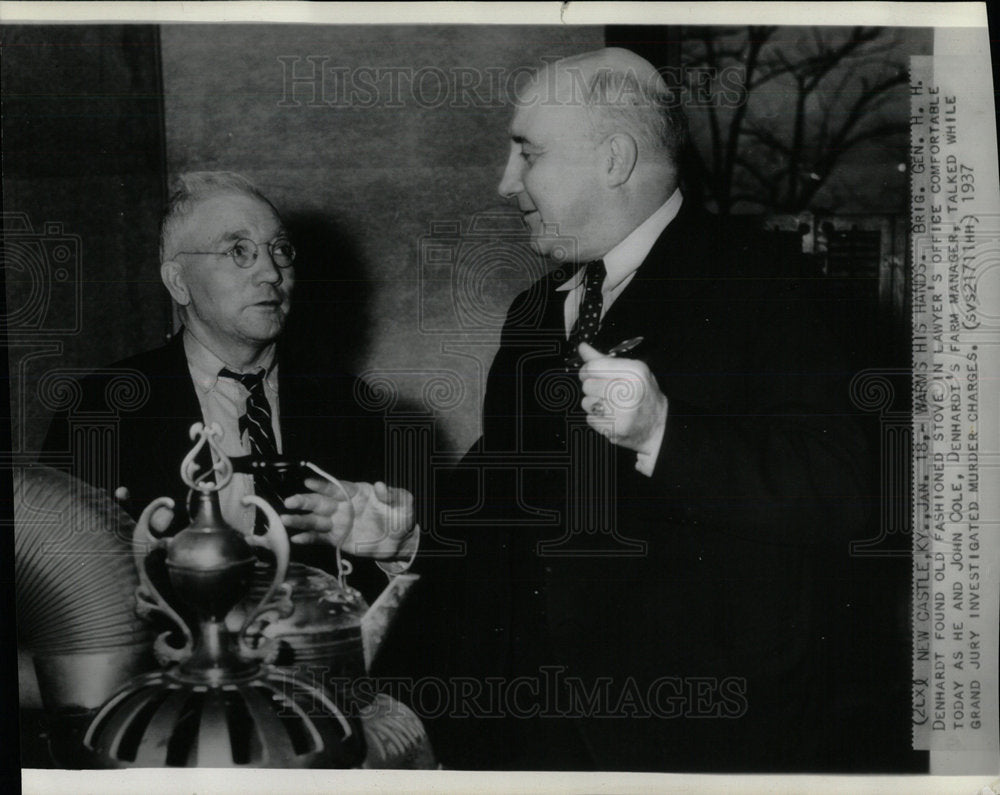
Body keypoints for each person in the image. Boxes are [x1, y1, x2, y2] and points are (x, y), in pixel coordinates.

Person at [413, 48, 903, 772]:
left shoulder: (769, 285)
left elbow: (842, 488)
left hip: (705, 743)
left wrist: (663, 431)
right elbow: (506, 490)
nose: (505, 181)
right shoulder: (536, 311)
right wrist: (409, 526)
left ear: (613, 159)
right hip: (542, 736)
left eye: (527, 153)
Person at [42, 171, 416, 574]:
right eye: (239, 251)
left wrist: (396, 549)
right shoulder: (100, 408)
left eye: (281, 249)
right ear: (178, 282)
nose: (272, 273)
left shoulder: (351, 405)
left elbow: (406, 596)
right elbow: (53, 586)